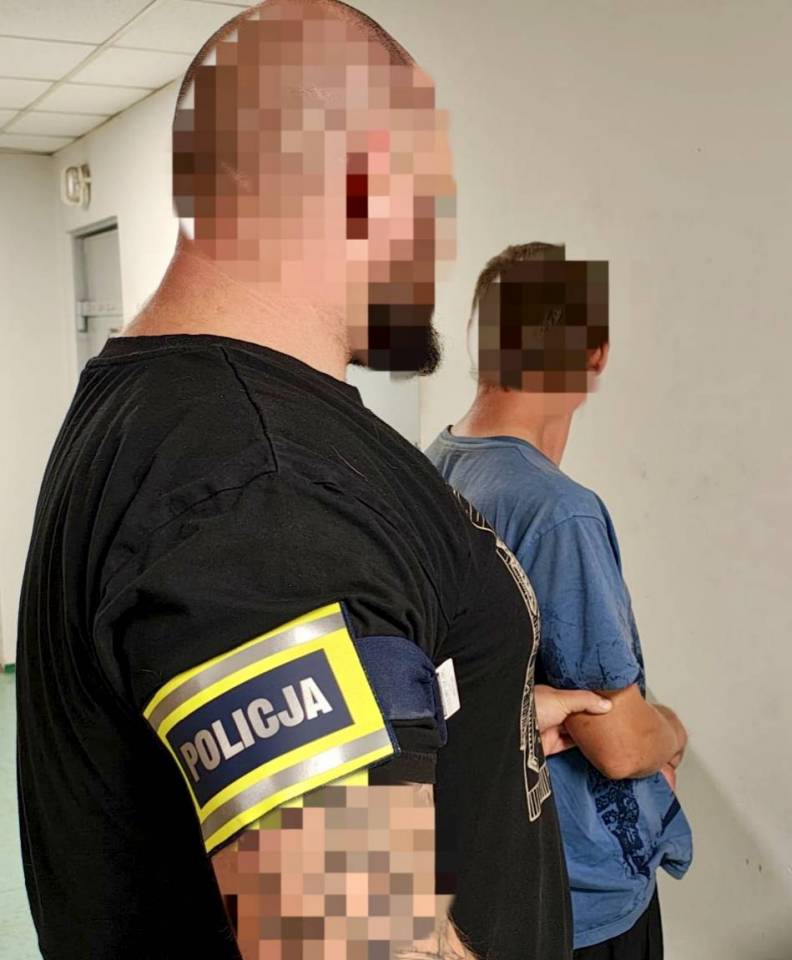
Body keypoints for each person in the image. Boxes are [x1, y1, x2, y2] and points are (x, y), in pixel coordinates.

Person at [15, 8, 609, 960]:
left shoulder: (164, 408)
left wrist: (487, 710)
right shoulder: (264, 487)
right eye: (431, 197)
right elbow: (357, 940)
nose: (438, 242)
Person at [426, 242, 694, 960]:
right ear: (594, 356)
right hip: (586, 904)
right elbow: (620, 743)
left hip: (487, 887)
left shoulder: (432, 468)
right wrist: (672, 732)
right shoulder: (556, 511)